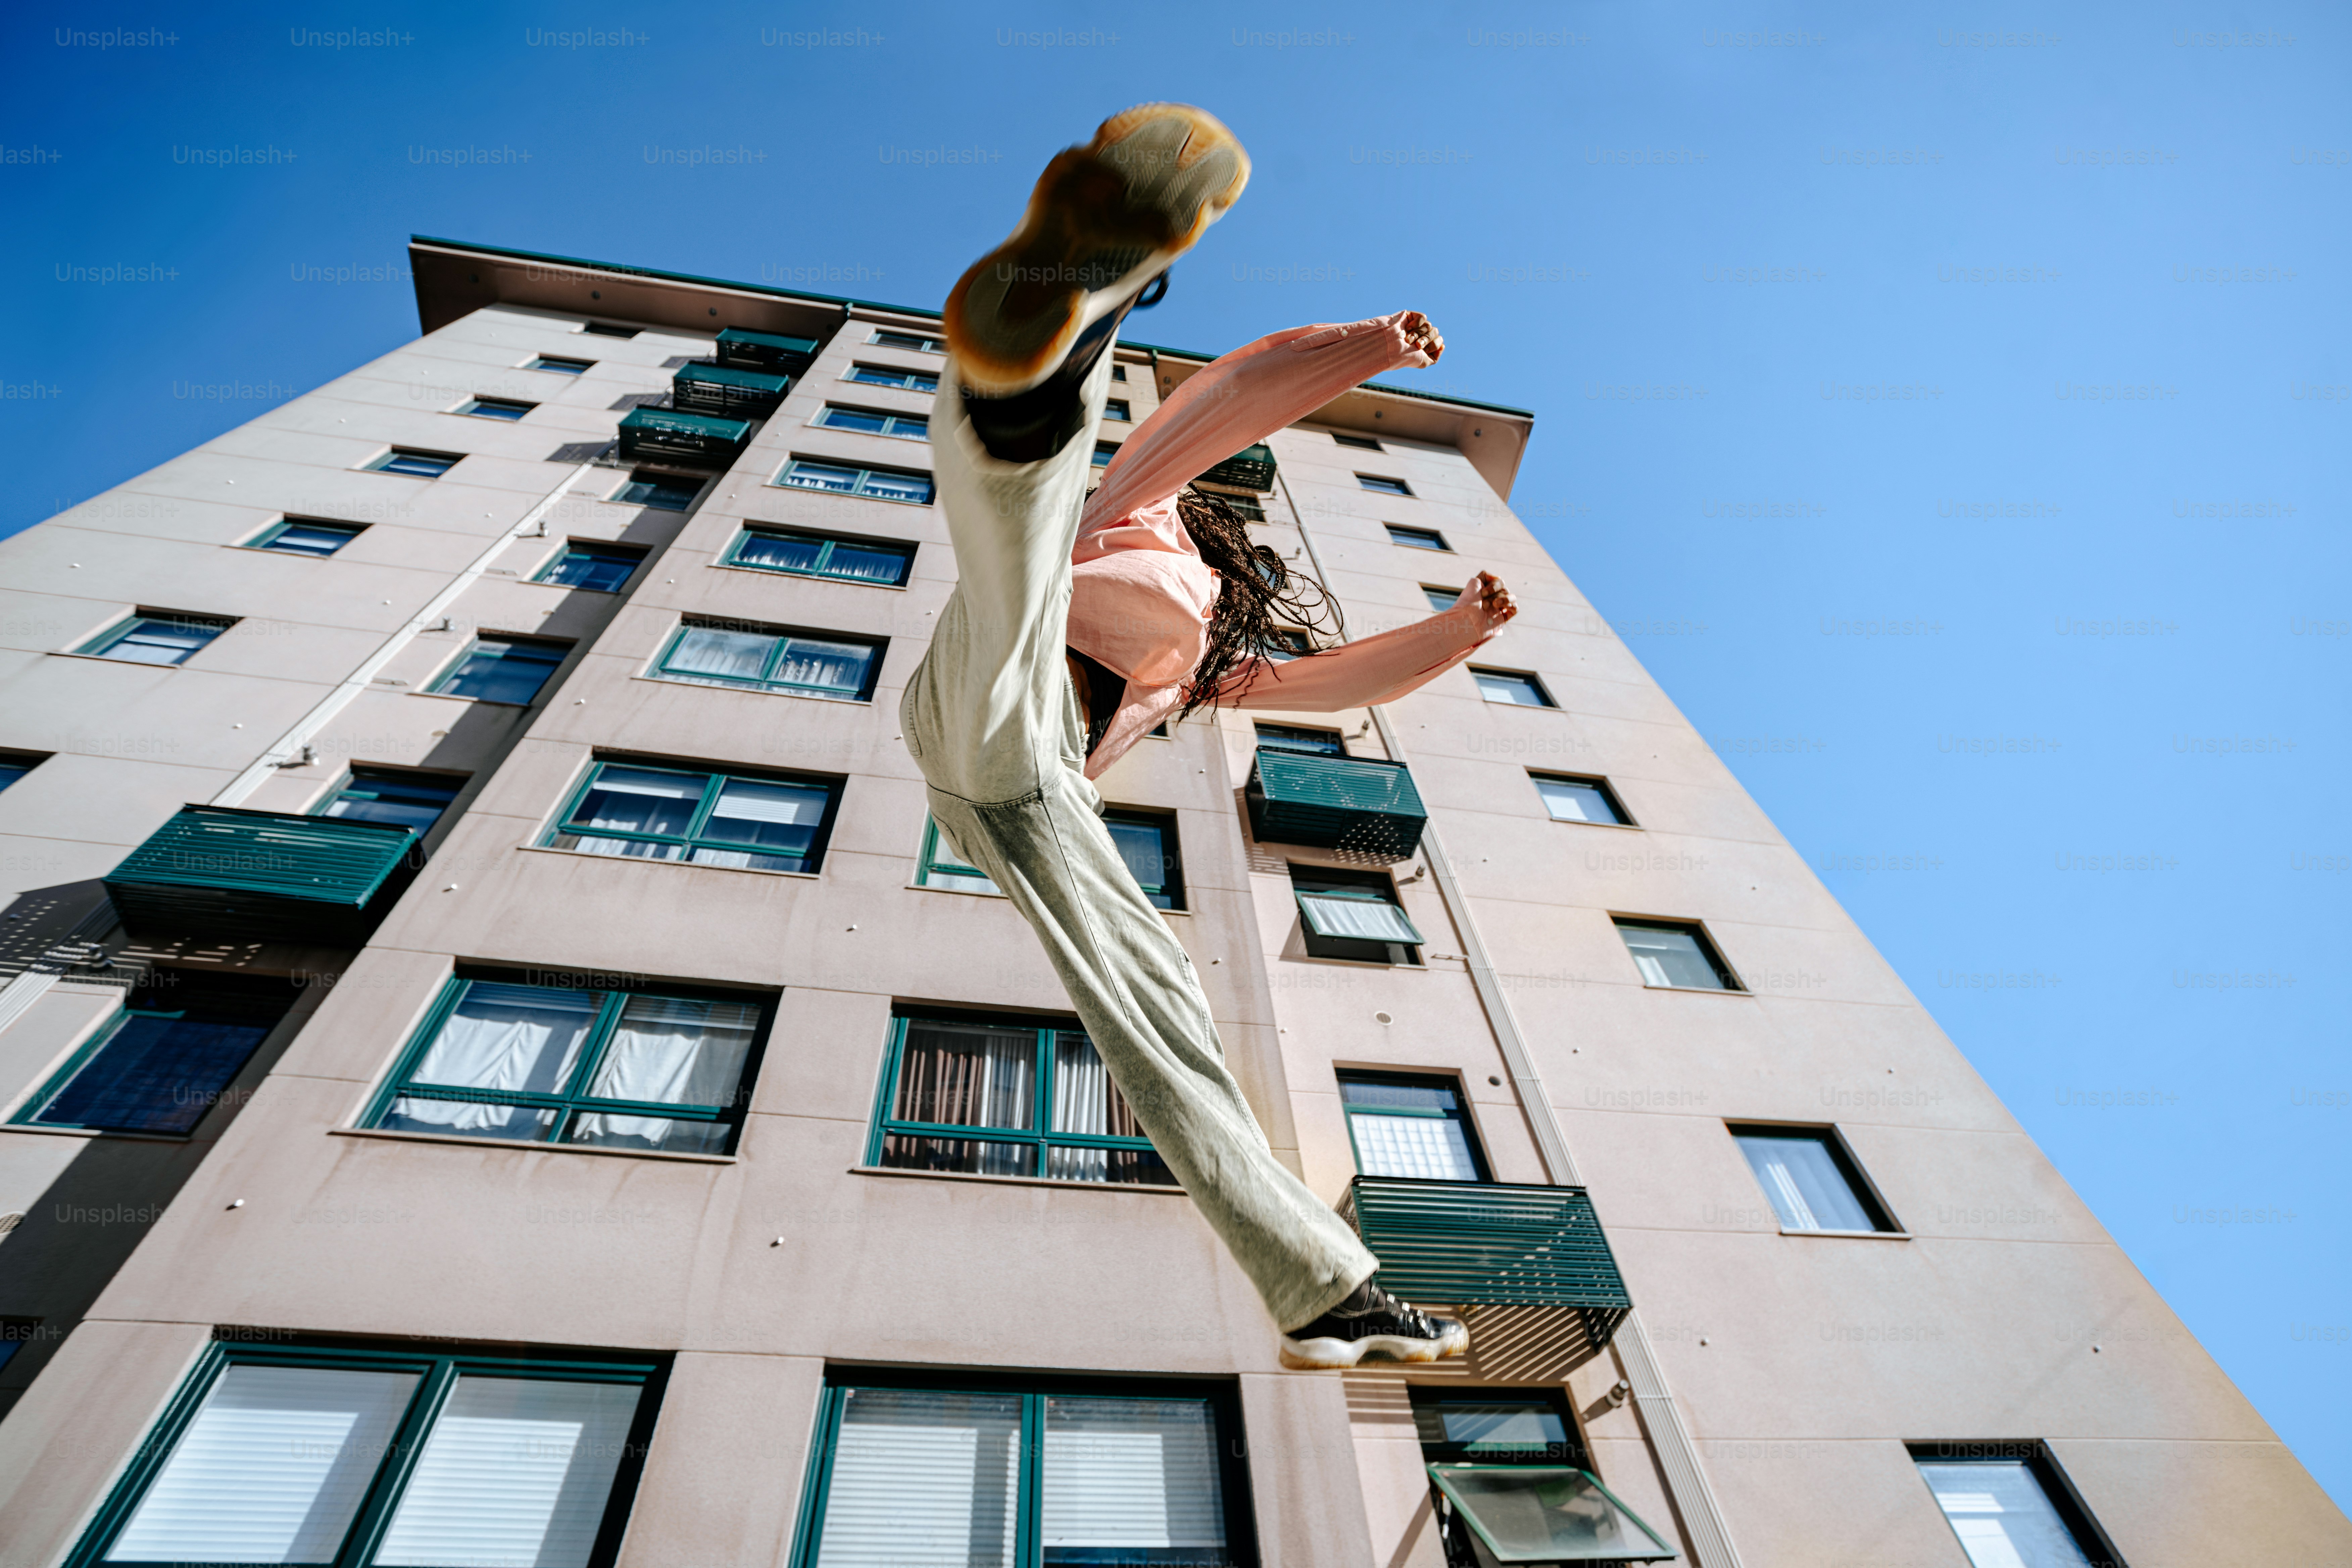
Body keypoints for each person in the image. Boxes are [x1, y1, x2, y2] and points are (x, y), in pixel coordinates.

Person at [903, 103, 1520, 1369]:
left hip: (1023, 788)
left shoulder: (1205, 662)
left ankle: (1321, 1290)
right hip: (995, 673)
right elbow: (1225, 402)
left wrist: (1454, 632)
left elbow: (1336, 684)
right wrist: (1361, 350)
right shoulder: (1145, 509)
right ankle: (1060, 319)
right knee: (1030, 527)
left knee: (1163, 990)